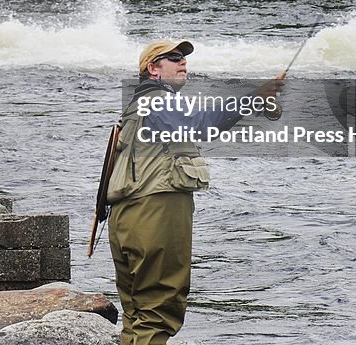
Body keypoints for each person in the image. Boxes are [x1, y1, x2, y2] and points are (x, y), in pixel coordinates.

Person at [105, 40, 284, 344]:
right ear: (153, 68)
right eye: (174, 58)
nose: (183, 62)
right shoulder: (159, 100)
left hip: (125, 219)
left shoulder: (139, 105)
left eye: (184, 57)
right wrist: (255, 98)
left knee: (136, 313)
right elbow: (200, 123)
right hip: (154, 212)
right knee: (158, 311)